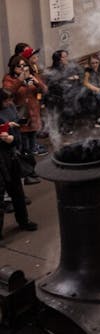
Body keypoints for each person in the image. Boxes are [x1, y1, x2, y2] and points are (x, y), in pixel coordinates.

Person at [0, 90, 38, 236]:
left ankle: (23, 221)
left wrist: (11, 130)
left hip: (11, 155)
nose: (9, 103)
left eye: (10, 100)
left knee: (17, 192)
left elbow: (14, 127)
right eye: (6, 101)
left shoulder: (10, 108)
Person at [3, 52, 46, 164]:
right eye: (19, 66)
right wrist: (20, 80)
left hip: (33, 115)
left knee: (32, 145)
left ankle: (31, 169)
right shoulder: (9, 79)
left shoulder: (33, 75)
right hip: (20, 117)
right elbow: (8, 93)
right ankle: (25, 171)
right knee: (22, 147)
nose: (22, 68)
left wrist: (36, 83)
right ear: (13, 67)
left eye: (24, 65)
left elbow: (45, 90)